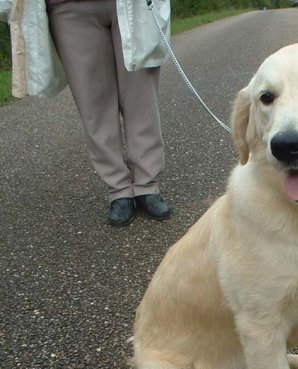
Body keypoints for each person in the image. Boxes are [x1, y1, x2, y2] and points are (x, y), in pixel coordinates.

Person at [4, 0, 172, 226]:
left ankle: (146, 185)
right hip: (69, 9)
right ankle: (119, 189)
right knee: (94, 106)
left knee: (141, 101)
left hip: (134, 5)